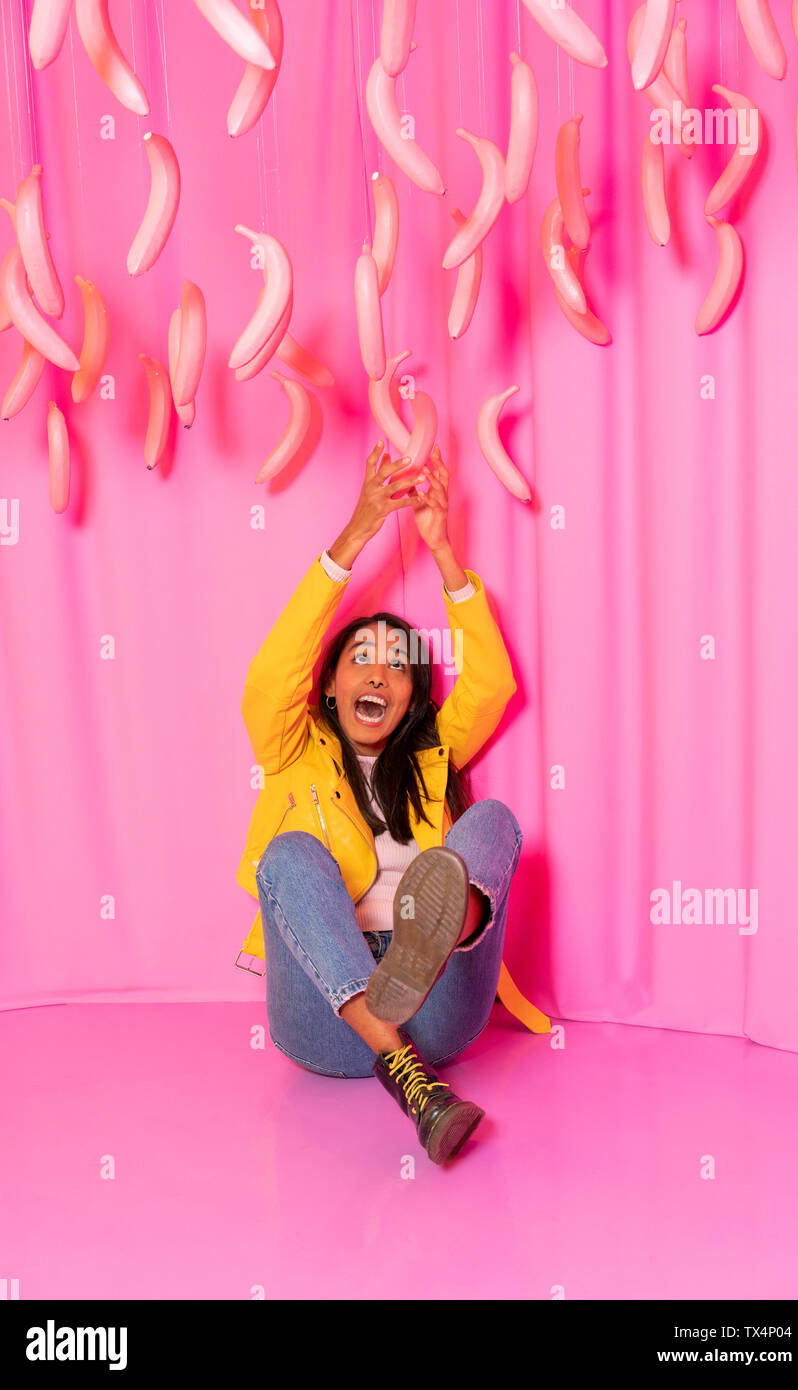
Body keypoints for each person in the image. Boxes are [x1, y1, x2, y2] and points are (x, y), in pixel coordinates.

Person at [237, 441, 524, 1165]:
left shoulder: (431, 759)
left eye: (399, 667)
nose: (380, 672)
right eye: (361, 658)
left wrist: (443, 549)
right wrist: (358, 532)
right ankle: (405, 1076)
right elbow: (271, 681)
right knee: (291, 855)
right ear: (329, 684)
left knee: (492, 821)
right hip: (327, 1013)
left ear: (411, 700)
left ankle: (443, 928)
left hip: (436, 1002)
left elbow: (490, 687)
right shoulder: (290, 749)